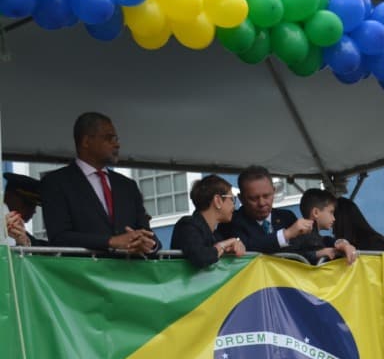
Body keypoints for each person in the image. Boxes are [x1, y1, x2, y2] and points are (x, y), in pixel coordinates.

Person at [41, 112, 157, 255]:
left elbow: (148, 234)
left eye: (116, 139)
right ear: (86, 142)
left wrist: (150, 245)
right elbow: (59, 237)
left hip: (129, 268)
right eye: (109, 138)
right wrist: (110, 241)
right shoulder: (56, 182)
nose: (117, 144)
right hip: (83, 268)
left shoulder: (128, 186)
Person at [216, 166, 310, 254]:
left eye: (266, 196)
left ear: (274, 191)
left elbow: (303, 249)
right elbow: (249, 246)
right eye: (254, 198)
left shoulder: (287, 217)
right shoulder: (230, 222)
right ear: (241, 199)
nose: (262, 203)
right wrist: (286, 234)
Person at [170, 175, 246, 268]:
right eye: (232, 199)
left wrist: (233, 246)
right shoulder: (187, 225)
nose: (234, 206)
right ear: (218, 201)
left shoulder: (215, 235)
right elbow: (200, 256)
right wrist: (223, 245)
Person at [285, 189, 358, 265]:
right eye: (331, 212)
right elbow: (290, 256)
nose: (334, 218)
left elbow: (330, 241)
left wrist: (344, 245)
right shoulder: (301, 236)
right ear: (316, 212)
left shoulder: (321, 238)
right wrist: (317, 254)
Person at [4, 172, 46, 246]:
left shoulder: (19, 232)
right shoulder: (5, 225)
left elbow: (35, 244)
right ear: (10, 197)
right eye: (29, 204)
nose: (34, 211)